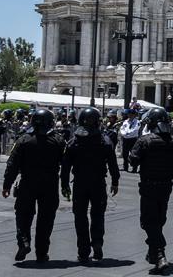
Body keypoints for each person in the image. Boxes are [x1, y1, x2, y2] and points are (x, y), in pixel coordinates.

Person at [2, 109, 65, 263]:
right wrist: (65, 185)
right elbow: (67, 164)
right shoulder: (58, 140)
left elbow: (12, 164)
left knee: (23, 214)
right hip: (50, 184)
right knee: (46, 219)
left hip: (28, 182)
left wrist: (7, 185)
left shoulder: (24, 140)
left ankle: (24, 242)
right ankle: (42, 253)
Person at [128, 108, 173, 272]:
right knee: (159, 220)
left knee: (147, 222)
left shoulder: (144, 141)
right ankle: (152, 252)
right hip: (166, 187)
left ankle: (160, 253)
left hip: (149, 186)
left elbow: (133, 161)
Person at [60, 107, 120, 263]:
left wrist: (65, 184)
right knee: (98, 215)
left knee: (80, 216)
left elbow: (65, 166)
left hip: (80, 183)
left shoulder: (74, 141)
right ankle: (97, 242)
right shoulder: (104, 140)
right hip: (98, 183)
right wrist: (115, 182)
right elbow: (113, 163)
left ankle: (83, 250)